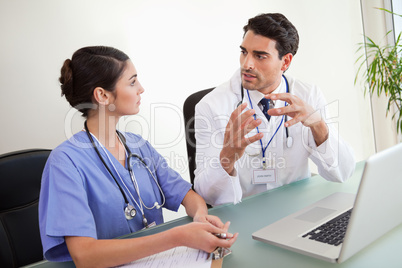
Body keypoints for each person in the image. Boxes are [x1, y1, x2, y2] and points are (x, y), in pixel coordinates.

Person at [38, 46, 237, 267]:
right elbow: (84, 256)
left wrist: (200, 215)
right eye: (132, 82)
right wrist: (178, 237)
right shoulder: (65, 162)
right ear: (102, 95)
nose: (141, 89)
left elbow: (186, 195)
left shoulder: (137, 145)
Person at [194, 13, 355, 206]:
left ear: (285, 62)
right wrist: (227, 157)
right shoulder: (212, 105)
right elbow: (206, 195)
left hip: (297, 209)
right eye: (244, 52)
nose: (247, 64)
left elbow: (343, 172)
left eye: (260, 56)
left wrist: (318, 126)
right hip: (245, 214)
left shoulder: (308, 95)